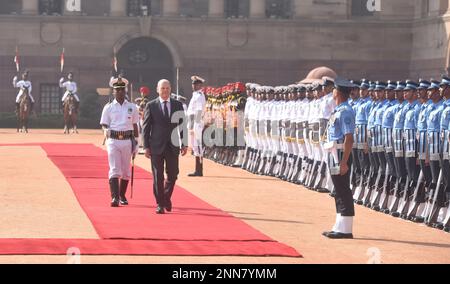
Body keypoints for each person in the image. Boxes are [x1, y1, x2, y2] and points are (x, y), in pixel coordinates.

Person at [142, 79, 188, 214]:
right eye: (162, 88)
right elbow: (146, 128)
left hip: (173, 145)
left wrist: (184, 143)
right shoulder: (151, 105)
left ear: (170, 89)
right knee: (158, 176)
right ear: (157, 90)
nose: (165, 91)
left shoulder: (177, 105)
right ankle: (160, 204)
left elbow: (182, 126)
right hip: (156, 146)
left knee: (173, 175)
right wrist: (146, 146)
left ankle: (166, 197)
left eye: (167, 88)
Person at [322, 78, 356, 239]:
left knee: (342, 189)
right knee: (338, 189)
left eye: (334, 89)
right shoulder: (338, 110)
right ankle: (339, 225)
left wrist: (344, 162)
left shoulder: (345, 111)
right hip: (334, 152)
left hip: (341, 153)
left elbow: (349, 138)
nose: (332, 92)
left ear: (338, 92)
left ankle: (346, 228)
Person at [100, 80, 139, 207]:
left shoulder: (132, 107)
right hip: (113, 140)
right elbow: (104, 123)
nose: (120, 92)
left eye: (122, 89)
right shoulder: (109, 107)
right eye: (118, 90)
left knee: (126, 171)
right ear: (114, 91)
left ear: (125, 90)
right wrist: (105, 130)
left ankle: (122, 195)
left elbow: (135, 125)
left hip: (127, 140)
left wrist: (137, 143)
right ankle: (115, 197)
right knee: (114, 168)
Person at [187, 76, 206, 177]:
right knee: (195, 146)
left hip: (197, 122)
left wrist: (195, 125)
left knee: (198, 146)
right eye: (193, 84)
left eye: (196, 84)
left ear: (200, 85)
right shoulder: (195, 95)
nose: (193, 86)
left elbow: (199, 111)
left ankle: (199, 170)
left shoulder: (199, 96)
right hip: (193, 122)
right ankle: (197, 169)